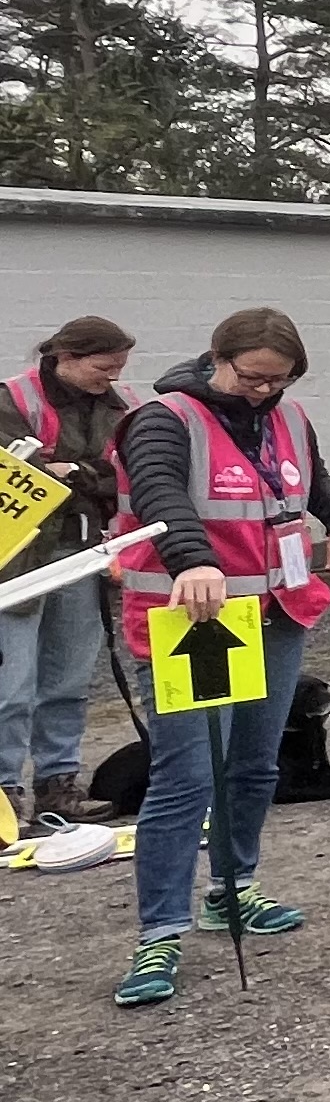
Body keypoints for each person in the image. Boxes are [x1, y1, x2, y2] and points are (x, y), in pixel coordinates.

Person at [109, 307, 330, 1009]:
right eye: (253, 378)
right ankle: (160, 933)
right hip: (193, 620)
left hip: (276, 612)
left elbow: (313, 480)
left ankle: (234, 889)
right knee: (187, 776)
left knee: (255, 765)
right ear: (218, 359)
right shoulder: (166, 419)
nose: (263, 392)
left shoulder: (289, 414)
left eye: (277, 381)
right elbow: (161, 494)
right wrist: (192, 560)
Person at [3, 317, 139, 825]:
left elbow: (126, 473)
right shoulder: (13, 399)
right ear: (66, 359)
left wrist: (70, 472)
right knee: (10, 684)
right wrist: (77, 475)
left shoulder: (122, 406)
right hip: (16, 562)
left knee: (67, 680)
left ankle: (58, 786)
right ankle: (6, 795)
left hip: (81, 555)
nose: (113, 377)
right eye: (104, 367)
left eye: (119, 368)